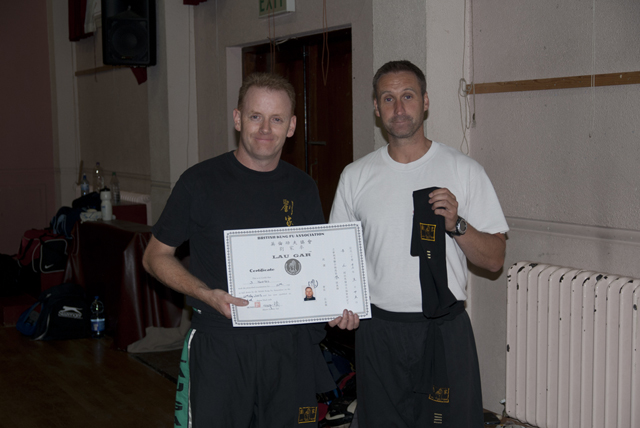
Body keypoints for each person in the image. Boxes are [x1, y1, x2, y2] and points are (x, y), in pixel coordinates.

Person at [143, 72, 352, 428]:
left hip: (288, 349)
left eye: (276, 119)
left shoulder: (303, 188)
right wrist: (205, 294)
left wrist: (337, 305)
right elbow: (154, 256)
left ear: (291, 126)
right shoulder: (199, 182)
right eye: (256, 116)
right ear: (238, 118)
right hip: (221, 345)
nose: (265, 128)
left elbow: (314, 267)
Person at [329, 60, 509, 427]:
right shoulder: (355, 176)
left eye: (408, 96)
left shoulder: (464, 170)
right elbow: (337, 260)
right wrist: (339, 305)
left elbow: (494, 260)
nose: (399, 108)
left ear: (425, 101)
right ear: (377, 109)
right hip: (378, 333)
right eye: (388, 98)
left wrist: (457, 225)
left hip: (444, 331)